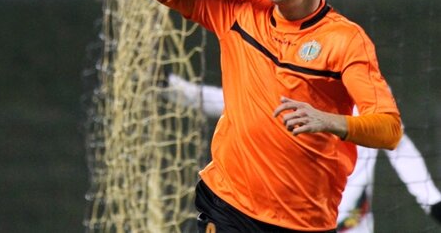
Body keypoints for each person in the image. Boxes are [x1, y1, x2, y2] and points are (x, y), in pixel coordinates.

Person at [143, 0, 403, 233]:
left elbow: (389, 129)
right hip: (228, 204)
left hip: (303, 221)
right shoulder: (242, 8)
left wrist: (328, 120)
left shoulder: (345, 40)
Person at [165, 73, 441, 232]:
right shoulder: (289, 93)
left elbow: (398, 145)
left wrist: (432, 200)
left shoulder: (367, 96)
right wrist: (177, 89)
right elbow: (231, 103)